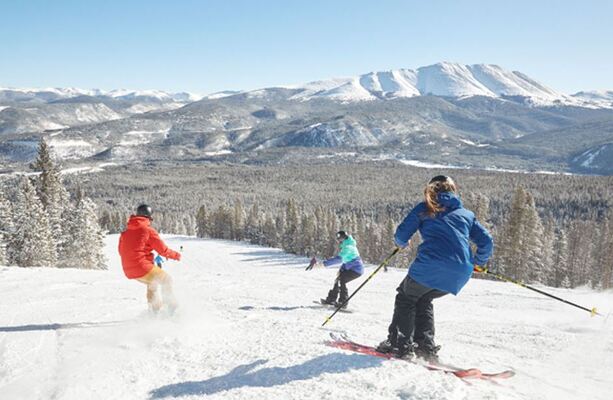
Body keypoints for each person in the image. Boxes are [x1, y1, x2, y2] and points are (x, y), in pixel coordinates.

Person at [376, 175, 493, 361]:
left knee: (406, 297)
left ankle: (400, 344)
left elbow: (401, 234)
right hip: (460, 273)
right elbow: (486, 241)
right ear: (453, 190)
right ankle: (425, 347)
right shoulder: (466, 214)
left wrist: (401, 243)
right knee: (423, 299)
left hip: (430, 266)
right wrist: (478, 263)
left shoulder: (425, 208)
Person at [118, 204, 182, 314]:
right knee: (167, 280)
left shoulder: (125, 233)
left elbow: (121, 251)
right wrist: (176, 255)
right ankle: (172, 309)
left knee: (153, 283)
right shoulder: (148, 231)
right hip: (142, 267)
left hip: (128, 270)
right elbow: (163, 250)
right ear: (148, 218)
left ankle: (154, 310)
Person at [308, 231, 364, 308]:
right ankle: (331, 299)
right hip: (349, 268)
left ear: (343, 238)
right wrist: (341, 269)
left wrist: (323, 264)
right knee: (338, 280)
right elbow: (347, 260)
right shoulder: (347, 244)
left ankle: (343, 302)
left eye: (339, 238)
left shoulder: (348, 247)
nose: (338, 240)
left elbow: (339, 259)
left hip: (356, 270)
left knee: (342, 280)